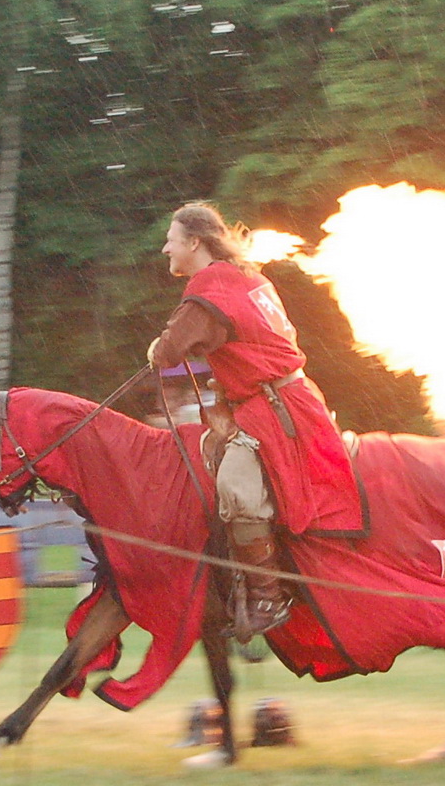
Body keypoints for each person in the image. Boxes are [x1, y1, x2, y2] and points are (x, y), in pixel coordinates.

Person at [148, 202, 365, 640]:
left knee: (236, 487)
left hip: (276, 410)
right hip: (280, 401)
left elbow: (170, 350)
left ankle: (269, 596)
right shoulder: (244, 277)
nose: (165, 248)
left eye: (172, 239)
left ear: (194, 241)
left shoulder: (211, 285)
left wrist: (156, 349)